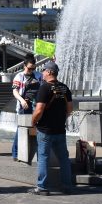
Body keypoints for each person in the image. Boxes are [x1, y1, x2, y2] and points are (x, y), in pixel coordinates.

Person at [29, 60, 74, 196]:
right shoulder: (64, 88)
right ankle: (67, 186)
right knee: (64, 158)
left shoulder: (44, 88)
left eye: (44, 70)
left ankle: (42, 187)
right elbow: (70, 109)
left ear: (49, 72)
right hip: (60, 129)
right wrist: (61, 118)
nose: (42, 73)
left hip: (45, 130)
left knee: (43, 158)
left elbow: (39, 110)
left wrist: (33, 121)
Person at [11, 55, 42, 160]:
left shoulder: (38, 75)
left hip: (36, 105)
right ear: (24, 66)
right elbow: (15, 91)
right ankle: (15, 153)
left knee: (38, 128)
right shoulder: (19, 76)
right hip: (24, 106)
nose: (31, 70)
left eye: (33, 68)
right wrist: (22, 100)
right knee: (21, 128)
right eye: (29, 68)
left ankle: (35, 152)